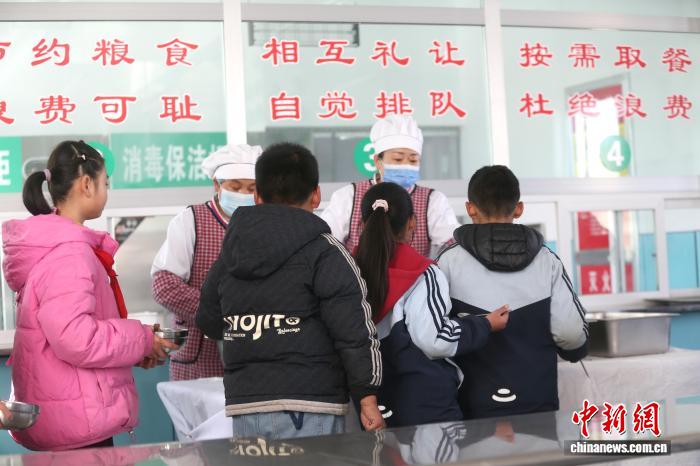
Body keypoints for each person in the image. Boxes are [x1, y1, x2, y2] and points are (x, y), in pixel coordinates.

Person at [196, 142, 385, 439]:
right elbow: (353, 331)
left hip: (247, 403)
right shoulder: (325, 252)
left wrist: (252, 326)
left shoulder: (231, 254)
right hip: (313, 402)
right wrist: (367, 396)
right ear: (316, 195)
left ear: (257, 196)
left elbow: (208, 320)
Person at [2, 141, 175, 451]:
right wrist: (142, 339)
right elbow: (76, 338)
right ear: (86, 184)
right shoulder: (69, 254)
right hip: (76, 425)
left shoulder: (54, 247)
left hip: (68, 416)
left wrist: (137, 350)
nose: (106, 191)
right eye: (105, 183)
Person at [437, 165, 589, 420]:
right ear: (519, 208)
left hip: (472, 404)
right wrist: (576, 351)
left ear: (470, 208)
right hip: (536, 401)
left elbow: (433, 334)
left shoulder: (447, 262)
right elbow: (570, 333)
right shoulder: (547, 261)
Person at [353, 182, 509, 428]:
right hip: (426, 406)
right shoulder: (423, 274)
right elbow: (435, 339)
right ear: (412, 223)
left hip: (370, 405)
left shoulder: (346, 273)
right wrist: (484, 324)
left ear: (363, 225)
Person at [151, 145, 261, 381]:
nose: (244, 194)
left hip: (255, 362)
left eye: (252, 188)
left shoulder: (266, 225)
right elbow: (164, 285)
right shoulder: (191, 221)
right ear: (216, 185)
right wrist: (218, 314)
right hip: (198, 362)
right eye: (235, 187)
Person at [321, 115, 459, 258]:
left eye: (413, 160)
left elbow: (451, 247)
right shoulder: (348, 197)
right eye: (398, 159)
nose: (406, 165)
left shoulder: (433, 201)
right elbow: (326, 245)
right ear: (377, 161)